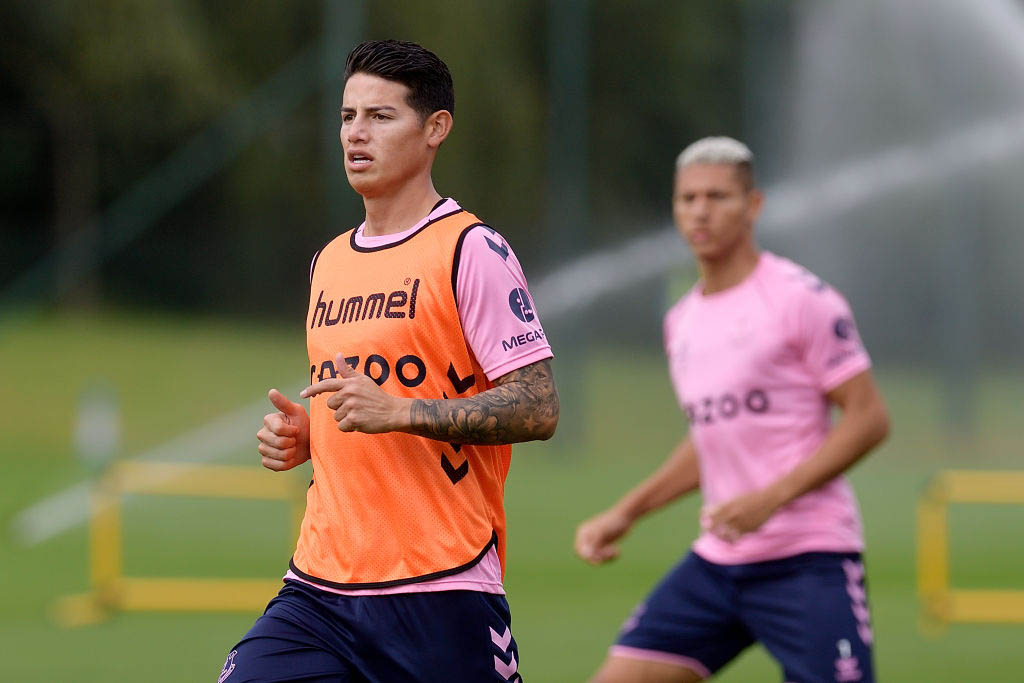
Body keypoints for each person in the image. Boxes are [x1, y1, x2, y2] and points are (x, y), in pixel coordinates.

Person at [220, 40, 558, 683]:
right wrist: (312, 436)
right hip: (318, 589)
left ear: (435, 129)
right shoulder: (329, 262)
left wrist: (401, 411)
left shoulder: (471, 250)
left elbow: (538, 406)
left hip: (440, 588)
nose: (356, 134)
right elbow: (366, 405)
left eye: (380, 117)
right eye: (347, 117)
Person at [574, 137, 890, 683]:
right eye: (688, 198)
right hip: (720, 561)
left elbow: (868, 418)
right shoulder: (683, 320)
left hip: (808, 558)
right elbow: (712, 437)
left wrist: (770, 500)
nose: (700, 211)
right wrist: (627, 511)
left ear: (754, 206)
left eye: (718, 196)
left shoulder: (800, 299)